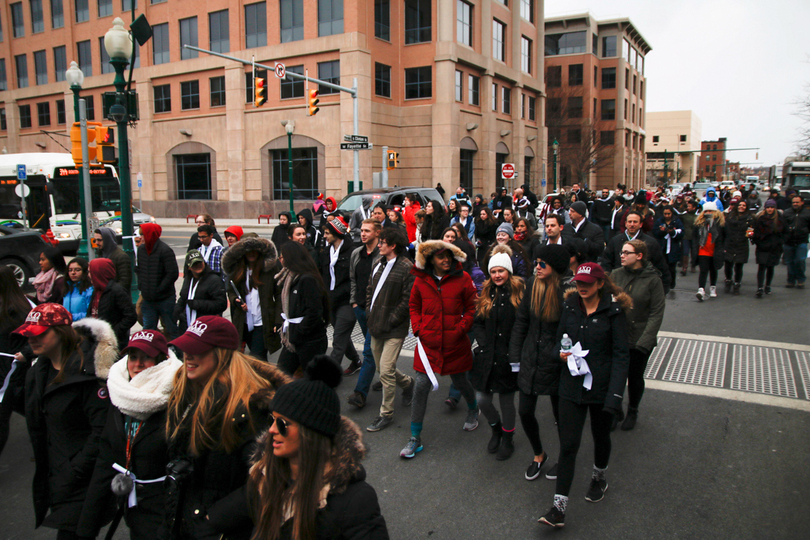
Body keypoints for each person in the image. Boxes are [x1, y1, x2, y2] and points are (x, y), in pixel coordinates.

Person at [164, 316, 289, 540]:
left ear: (221, 354)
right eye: (186, 348)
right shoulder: (185, 393)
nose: (188, 356)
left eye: (197, 350)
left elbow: (266, 481)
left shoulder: (249, 411)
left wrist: (212, 520)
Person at [243, 355, 389, 539]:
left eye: (282, 423)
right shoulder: (264, 476)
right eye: (271, 419)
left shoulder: (356, 501)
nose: (271, 430)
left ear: (311, 433)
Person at [538, 264, 630, 528]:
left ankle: (599, 476)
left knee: (601, 437)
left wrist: (615, 395)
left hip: (600, 388)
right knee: (568, 445)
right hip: (571, 386)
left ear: (600, 284)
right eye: (579, 281)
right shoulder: (569, 307)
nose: (582, 286)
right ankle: (558, 508)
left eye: (588, 282)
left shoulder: (614, 312)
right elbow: (559, 341)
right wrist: (560, 353)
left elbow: (621, 356)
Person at [19, 303, 118, 538]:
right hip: (57, 480)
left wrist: (75, 469)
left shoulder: (89, 373)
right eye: (28, 334)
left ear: (61, 332)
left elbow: (102, 431)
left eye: (40, 334)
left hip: (84, 483)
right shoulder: (37, 372)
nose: (32, 340)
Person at [77, 330, 182, 540]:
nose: (138, 364)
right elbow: (106, 460)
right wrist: (86, 527)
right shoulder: (120, 397)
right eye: (133, 357)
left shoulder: (178, 400)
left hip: (169, 518)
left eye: (147, 357)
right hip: (134, 512)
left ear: (162, 360)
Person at [401, 241, 479, 459]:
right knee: (421, 386)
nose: (446, 260)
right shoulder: (420, 280)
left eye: (449, 256)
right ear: (430, 260)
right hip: (427, 345)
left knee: (461, 381)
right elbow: (414, 306)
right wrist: (417, 328)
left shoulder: (463, 279)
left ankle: (473, 409)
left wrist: (461, 328)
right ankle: (415, 436)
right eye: (440, 257)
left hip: (455, 343)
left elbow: (472, 307)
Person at [509, 245, 568, 481]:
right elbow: (521, 322)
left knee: (561, 417)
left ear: (556, 267)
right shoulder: (532, 284)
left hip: (556, 362)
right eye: (536, 262)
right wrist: (515, 356)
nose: (537, 266)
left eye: (543, 263)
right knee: (524, 411)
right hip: (531, 358)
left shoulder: (567, 290)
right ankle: (538, 454)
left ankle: (565, 458)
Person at [471, 245, 524, 460]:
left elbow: (523, 325)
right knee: (482, 400)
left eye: (501, 271)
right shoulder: (486, 292)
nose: (497, 275)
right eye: (493, 272)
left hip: (509, 357)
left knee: (506, 402)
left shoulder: (519, 294)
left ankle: (508, 438)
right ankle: (496, 428)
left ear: (508, 272)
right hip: (488, 355)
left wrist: (516, 351)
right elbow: (479, 323)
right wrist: (483, 345)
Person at [607, 240, 665, 431]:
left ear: (639, 256)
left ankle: (633, 410)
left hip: (639, 338)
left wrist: (645, 342)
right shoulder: (615, 275)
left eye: (626, 252)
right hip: (617, 335)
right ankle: (615, 410)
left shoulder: (653, 279)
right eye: (621, 252)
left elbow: (656, 312)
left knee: (634, 376)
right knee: (615, 376)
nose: (621, 255)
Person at [364, 228, 416, 433]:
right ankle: (408, 383)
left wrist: (391, 320)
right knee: (381, 367)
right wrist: (369, 311)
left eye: (383, 242)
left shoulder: (406, 267)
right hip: (375, 324)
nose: (379, 245)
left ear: (393, 245)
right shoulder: (378, 263)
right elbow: (370, 289)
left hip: (394, 328)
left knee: (385, 370)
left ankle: (386, 414)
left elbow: (407, 301)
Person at [222, 236, 282, 361]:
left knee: (257, 357)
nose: (251, 254)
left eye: (255, 250)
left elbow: (279, 294)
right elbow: (231, 290)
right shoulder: (238, 269)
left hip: (262, 321)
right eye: (248, 250)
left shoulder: (269, 269)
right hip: (243, 321)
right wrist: (235, 300)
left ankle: (262, 379)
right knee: (248, 357)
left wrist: (278, 319)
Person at [276, 241, 330, 378]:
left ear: (291, 257)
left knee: (312, 381)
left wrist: (300, 331)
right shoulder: (289, 276)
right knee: (280, 376)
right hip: (293, 337)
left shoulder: (307, 280)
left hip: (309, 341)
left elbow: (314, 311)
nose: (280, 259)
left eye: (282, 256)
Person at [320, 216, 362, 375]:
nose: (324, 236)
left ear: (337, 233)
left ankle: (328, 375)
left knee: (338, 339)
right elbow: (324, 275)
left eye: (327, 233)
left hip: (347, 302)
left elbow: (355, 280)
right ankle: (356, 361)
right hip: (331, 301)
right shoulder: (326, 252)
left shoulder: (352, 252)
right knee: (342, 334)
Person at [0, 266, 34, 458]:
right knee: (20, 404)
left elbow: (36, 338)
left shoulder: (22, 307)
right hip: (6, 369)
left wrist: (26, 354)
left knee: (3, 413)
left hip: (12, 369)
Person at [347, 219, 381, 409]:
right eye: (362, 230)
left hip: (375, 312)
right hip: (359, 308)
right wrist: (353, 302)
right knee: (377, 351)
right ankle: (396, 378)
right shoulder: (356, 253)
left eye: (368, 231)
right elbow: (353, 278)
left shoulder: (382, 255)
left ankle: (360, 393)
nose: (363, 234)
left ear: (377, 233)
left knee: (368, 351)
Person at [600, 211, 672, 293]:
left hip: (642, 288)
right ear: (626, 223)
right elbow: (606, 263)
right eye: (630, 222)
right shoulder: (615, 241)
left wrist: (663, 290)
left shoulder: (650, 243)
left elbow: (660, 267)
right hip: (619, 286)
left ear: (641, 224)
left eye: (635, 222)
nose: (632, 224)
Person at [137, 223, 180, 340]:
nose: (140, 237)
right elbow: (140, 270)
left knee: (171, 328)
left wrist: (159, 289)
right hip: (148, 299)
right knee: (148, 330)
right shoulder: (141, 250)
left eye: (143, 234)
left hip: (165, 299)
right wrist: (142, 286)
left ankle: (177, 352)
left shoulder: (165, 251)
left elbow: (172, 273)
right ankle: (149, 354)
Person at [87, 257, 137, 349]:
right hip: (98, 340)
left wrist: (113, 332)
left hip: (114, 343)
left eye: (90, 272)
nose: (89, 275)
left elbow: (131, 316)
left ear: (98, 273)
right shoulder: (97, 291)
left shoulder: (117, 291)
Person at [174, 250, 227, 335]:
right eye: (194, 264)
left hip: (206, 327)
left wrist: (197, 304)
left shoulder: (214, 280)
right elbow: (183, 298)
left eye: (199, 262)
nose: (198, 266)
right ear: (189, 267)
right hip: (187, 325)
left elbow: (221, 304)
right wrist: (176, 313)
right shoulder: (188, 279)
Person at [752, 199, 787, 298]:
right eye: (768, 207)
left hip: (775, 247)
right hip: (762, 246)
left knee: (771, 267)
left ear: (775, 208)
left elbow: (786, 232)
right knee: (762, 267)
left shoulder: (780, 219)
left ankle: (768, 285)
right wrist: (757, 241)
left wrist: (781, 241)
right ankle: (760, 288)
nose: (770, 209)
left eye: (772, 207)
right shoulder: (760, 218)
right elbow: (756, 231)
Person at [694, 202, 726, 301]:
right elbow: (695, 237)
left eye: (710, 211)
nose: (708, 213)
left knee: (713, 270)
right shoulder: (699, 223)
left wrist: (723, 248)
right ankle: (701, 289)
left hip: (715, 250)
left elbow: (725, 236)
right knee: (703, 270)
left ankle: (713, 287)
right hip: (703, 250)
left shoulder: (720, 223)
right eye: (706, 211)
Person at [723, 200, 754, 295]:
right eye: (740, 205)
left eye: (744, 205)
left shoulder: (750, 218)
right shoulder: (730, 216)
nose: (741, 207)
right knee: (728, 264)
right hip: (730, 243)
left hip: (741, 244)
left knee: (739, 266)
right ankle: (728, 280)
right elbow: (724, 230)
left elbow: (751, 230)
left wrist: (751, 235)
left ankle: (737, 283)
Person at [652, 206, 684, 291]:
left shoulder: (676, 221)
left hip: (673, 248)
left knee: (672, 268)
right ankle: (662, 283)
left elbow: (681, 232)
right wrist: (662, 231)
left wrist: (672, 232)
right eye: (665, 214)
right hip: (662, 247)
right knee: (661, 267)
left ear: (672, 213)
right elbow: (655, 232)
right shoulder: (659, 221)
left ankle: (672, 283)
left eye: (668, 214)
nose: (667, 215)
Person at [94, 227, 133, 292]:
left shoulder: (121, 256)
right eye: (95, 240)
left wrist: (110, 292)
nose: (96, 243)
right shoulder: (100, 254)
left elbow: (125, 281)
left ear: (107, 240)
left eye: (99, 240)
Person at [783, 195, 810, 288]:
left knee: (800, 261)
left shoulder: (807, 213)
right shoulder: (786, 213)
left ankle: (800, 279)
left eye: (797, 202)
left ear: (802, 202)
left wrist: (805, 231)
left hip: (801, 241)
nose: (795, 204)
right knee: (789, 262)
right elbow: (782, 226)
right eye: (793, 202)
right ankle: (790, 280)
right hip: (788, 241)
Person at [63, 257, 94, 322]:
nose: (73, 273)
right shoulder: (67, 289)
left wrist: (71, 317)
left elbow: (91, 313)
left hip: (83, 326)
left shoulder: (90, 290)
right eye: (70, 270)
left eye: (77, 270)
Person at [680, 200, 700, 275]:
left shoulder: (698, 216)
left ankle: (693, 265)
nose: (687, 208)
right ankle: (684, 267)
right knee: (685, 252)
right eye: (687, 206)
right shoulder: (684, 215)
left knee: (694, 252)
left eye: (689, 206)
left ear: (694, 208)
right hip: (685, 236)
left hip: (695, 237)